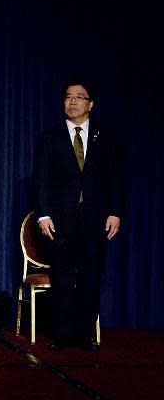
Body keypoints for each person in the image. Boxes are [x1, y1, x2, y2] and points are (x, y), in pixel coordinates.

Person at [32, 78, 123, 351]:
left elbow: (115, 178)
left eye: (79, 97)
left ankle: (84, 332)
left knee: (90, 277)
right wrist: (42, 215)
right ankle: (62, 333)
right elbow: (40, 180)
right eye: (68, 97)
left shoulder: (105, 137)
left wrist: (115, 212)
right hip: (60, 222)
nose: (72, 102)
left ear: (90, 104)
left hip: (95, 220)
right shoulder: (50, 137)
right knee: (61, 276)